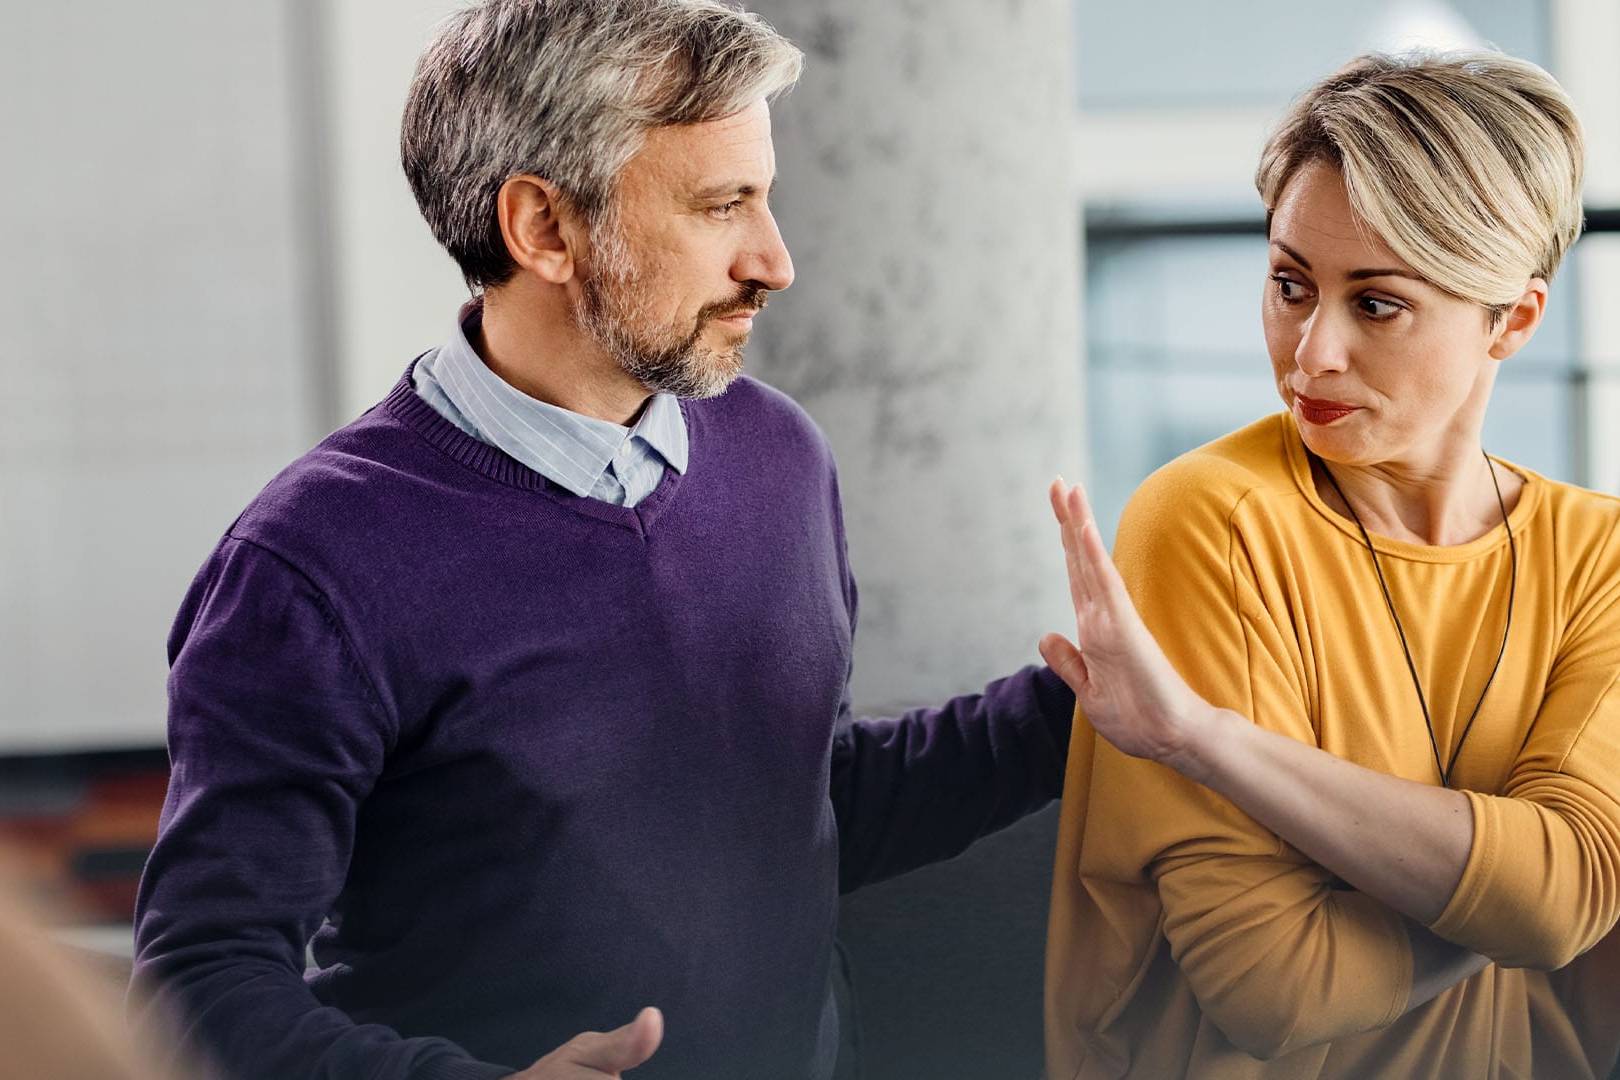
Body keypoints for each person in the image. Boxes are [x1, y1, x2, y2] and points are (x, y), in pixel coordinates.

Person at [129, 2, 1076, 1078]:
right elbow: (198, 985)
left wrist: (1075, 708)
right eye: (724, 207)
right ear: (543, 229)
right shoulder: (310, 567)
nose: (774, 261)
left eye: (764, 200)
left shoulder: (781, 457)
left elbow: (798, 811)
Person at [1039, 50, 1620, 1079]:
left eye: (1378, 303)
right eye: (1290, 285)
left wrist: (1206, 739)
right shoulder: (1212, 522)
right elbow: (1279, 985)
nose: (1310, 355)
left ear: (1514, 320)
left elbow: (1568, 891)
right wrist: (1520, 896)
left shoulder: (1598, 557)